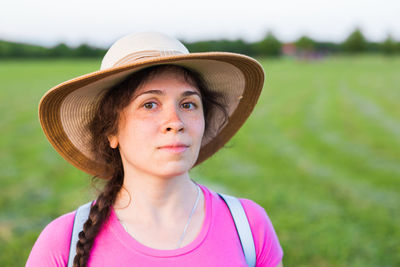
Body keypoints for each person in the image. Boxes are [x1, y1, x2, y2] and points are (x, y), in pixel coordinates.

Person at [26, 32, 283, 267]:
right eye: (149, 105)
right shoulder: (61, 243)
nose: (175, 122)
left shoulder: (248, 226)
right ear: (111, 131)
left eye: (188, 104)